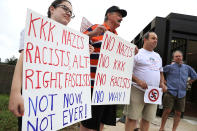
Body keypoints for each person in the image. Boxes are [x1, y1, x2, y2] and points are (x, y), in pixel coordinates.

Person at [8, 0, 94, 130]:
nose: (69, 13)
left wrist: (83, 54)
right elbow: (24, 59)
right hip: (33, 94)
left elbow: (69, 67)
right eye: (65, 8)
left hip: (55, 96)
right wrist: (15, 92)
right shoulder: (34, 27)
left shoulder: (70, 41)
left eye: (71, 12)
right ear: (52, 9)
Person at [80, 6, 128, 131]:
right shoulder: (96, 28)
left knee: (102, 121)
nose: (121, 18)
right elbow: (76, 41)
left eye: (121, 16)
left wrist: (130, 53)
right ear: (108, 15)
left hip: (108, 87)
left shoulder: (117, 37)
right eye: (118, 14)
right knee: (88, 123)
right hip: (92, 84)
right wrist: (92, 34)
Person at [123, 32, 167, 131]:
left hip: (153, 92)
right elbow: (127, 71)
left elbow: (161, 73)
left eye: (156, 39)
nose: (156, 40)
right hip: (137, 89)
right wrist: (138, 81)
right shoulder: (137, 53)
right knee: (132, 118)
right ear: (145, 40)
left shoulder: (157, 56)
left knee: (147, 119)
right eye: (153, 38)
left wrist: (162, 83)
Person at [159, 50, 197, 131]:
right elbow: (160, 71)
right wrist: (163, 82)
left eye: (180, 56)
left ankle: (174, 129)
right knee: (167, 111)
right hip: (170, 92)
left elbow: (195, 76)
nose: (178, 57)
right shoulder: (169, 67)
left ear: (182, 57)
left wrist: (189, 82)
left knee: (178, 113)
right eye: (176, 56)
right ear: (174, 58)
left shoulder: (187, 68)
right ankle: (162, 128)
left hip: (182, 94)